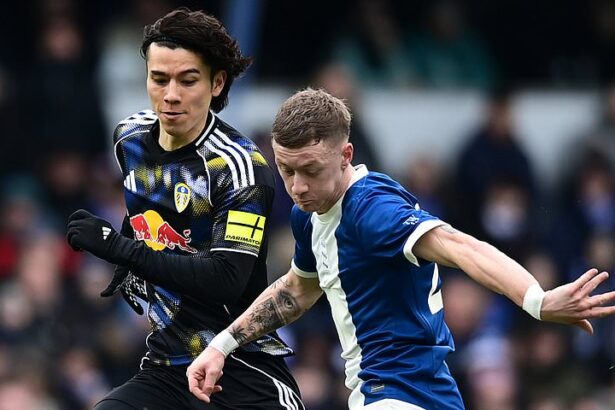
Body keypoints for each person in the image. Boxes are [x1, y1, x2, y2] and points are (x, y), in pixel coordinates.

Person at [186, 88, 615, 410]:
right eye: (286, 170)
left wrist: (537, 300)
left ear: (345, 155)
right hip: (403, 395)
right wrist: (221, 345)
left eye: (310, 170)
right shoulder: (309, 213)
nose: (296, 186)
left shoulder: (373, 210)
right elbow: (297, 291)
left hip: (400, 394)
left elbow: (461, 246)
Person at [66, 8, 303, 410]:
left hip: (241, 369)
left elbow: (226, 279)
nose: (171, 94)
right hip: (166, 368)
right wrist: (128, 243)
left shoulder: (238, 167)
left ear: (217, 83)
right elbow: (148, 207)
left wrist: (118, 249)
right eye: (159, 79)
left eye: (188, 80)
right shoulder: (129, 139)